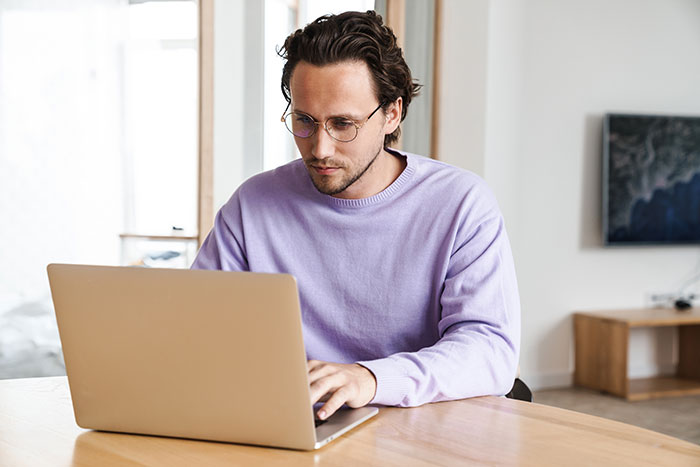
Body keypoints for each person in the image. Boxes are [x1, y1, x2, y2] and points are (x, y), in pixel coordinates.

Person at [192, 10, 520, 421]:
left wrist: (370, 378)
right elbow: (197, 326)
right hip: (294, 424)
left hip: (419, 425)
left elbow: (490, 350)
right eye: (304, 121)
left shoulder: (461, 203)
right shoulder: (253, 204)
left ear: (392, 114)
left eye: (343, 124)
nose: (320, 148)